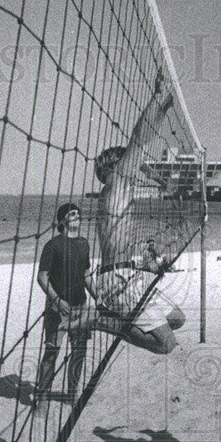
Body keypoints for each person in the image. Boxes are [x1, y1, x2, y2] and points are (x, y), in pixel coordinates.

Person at [93, 68, 186, 351]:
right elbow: (139, 139)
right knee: (165, 345)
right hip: (117, 279)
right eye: (128, 164)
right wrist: (157, 100)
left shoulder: (121, 194)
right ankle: (101, 320)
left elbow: (141, 144)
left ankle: (116, 316)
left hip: (130, 273)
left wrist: (147, 259)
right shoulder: (116, 185)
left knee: (178, 319)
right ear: (114, 168)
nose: (136, 169)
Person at [35, 202, 99, 407]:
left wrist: (98, 296)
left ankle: (72, 395)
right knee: (51, 354)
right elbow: (42, 277)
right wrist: (57, 300)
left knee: (79, 352)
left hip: (80, 307)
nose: (77, 215)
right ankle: (42, 399)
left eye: (78, 213)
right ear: (62, 220)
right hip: (57, 309)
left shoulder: (84, 243)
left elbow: (86, 274)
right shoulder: (52, 245)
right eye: (72, 214)